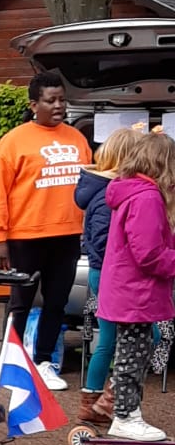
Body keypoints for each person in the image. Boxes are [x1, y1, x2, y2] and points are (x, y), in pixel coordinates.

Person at [0, 72, 92, 389]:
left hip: (68, 236)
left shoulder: (77, 138)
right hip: (25, 237)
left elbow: (88, 185)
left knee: (56, 303)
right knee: (21, 304)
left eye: (62, 99)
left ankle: (44, 362)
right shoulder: (14, 140)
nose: (59, 105)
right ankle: (11, 362)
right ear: (34, 105)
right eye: (51, 100)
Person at [97, 131, 175, 442]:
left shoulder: (134, 192)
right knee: (132, 355)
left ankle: (128, 412)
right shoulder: (147, 197)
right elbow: (149, 253)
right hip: (135, 292)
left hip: (130, 290)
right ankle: (125, 416)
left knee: (136, 352)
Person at [74, 127, 139, 423]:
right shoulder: (106, 195)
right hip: (107, 272)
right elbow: (101, 240)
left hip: (104, 271)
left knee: (111, 338)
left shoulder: (101, 191)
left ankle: (96, 399)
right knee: (126, 336)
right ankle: (103, 398)